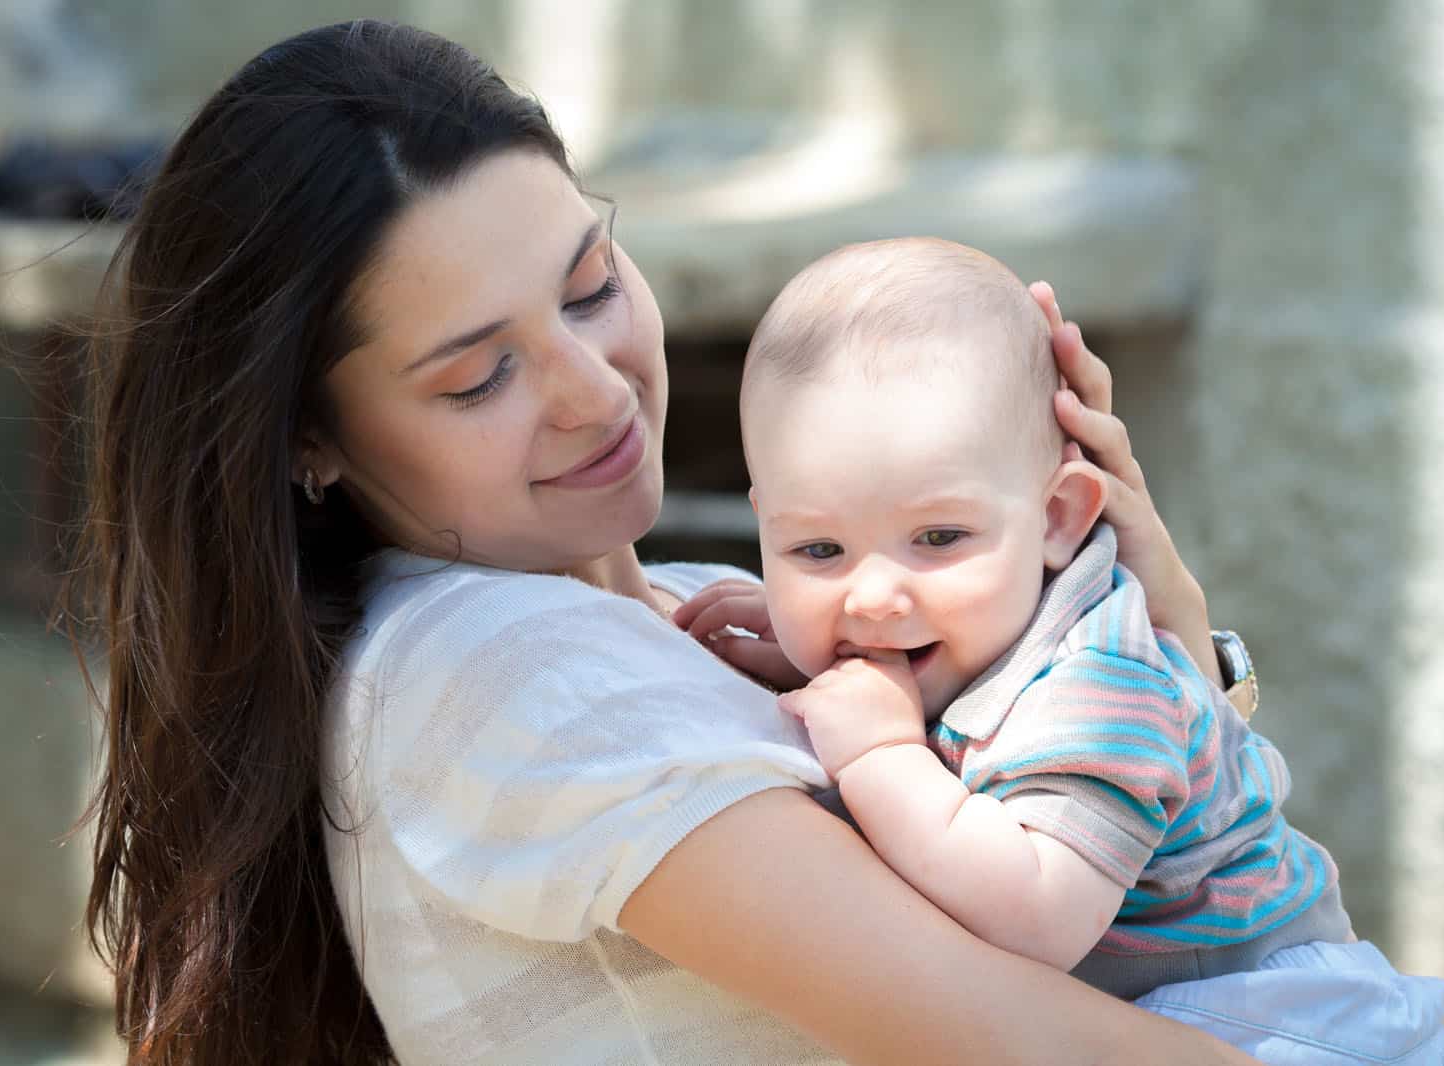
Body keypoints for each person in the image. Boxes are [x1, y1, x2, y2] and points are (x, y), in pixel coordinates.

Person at [68, 21, 1274, 1066]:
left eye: (590, 285)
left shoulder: (729, 615)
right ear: (307, 443)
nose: (594, 392)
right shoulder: (498, 667)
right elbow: (1027, 1036)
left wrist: (1149, 600)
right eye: (482, 375)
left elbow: (1149, 884)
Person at [676, 238, 1444, 1064]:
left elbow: (1040, 917)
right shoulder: (980, 627)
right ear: (763, 521)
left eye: (938, 537)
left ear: (1058, 518)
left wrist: (880, 752)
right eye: (817, 551)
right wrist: (810, 643)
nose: (871, 598)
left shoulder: (1098, 681)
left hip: (1281, 1021)